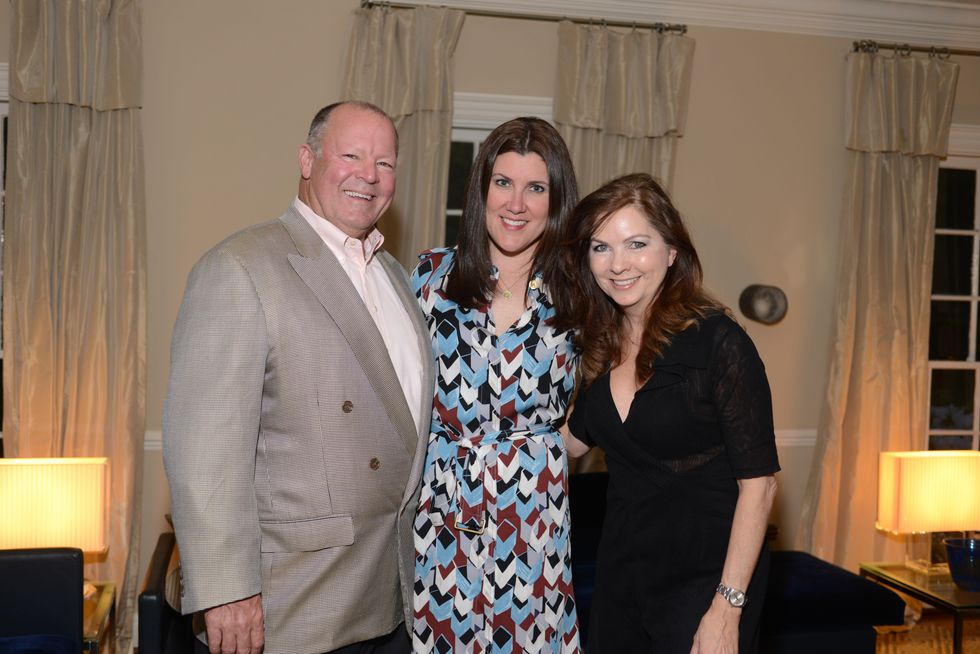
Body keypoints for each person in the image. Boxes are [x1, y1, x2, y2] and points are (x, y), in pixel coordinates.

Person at [163, 101, 434, 654]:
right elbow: (205, 450)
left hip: (392, 599)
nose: (369, 175)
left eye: (384, 163)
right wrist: (228, 591)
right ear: (307, 160)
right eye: (351, 155)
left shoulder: (396, 276)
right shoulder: (241, 267)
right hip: (291, 609)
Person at [559, 173, 780, 653]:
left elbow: (759, 486)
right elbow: (568, 444)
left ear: (672, 251)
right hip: (622, 577)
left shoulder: (719, 343)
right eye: (600, 247)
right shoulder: (599, 347)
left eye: (636, 244)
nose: (618, 264)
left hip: (705, 580)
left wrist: (727, 609)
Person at [411, 117, 582, 653]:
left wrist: (561, 446)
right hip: (440, 514)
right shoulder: (429, 278)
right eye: (503, 182)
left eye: (536, 188)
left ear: (556, 200)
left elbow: (620, 384)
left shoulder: (580, 292)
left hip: (533, 522)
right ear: (481, 188)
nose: (516, 204)